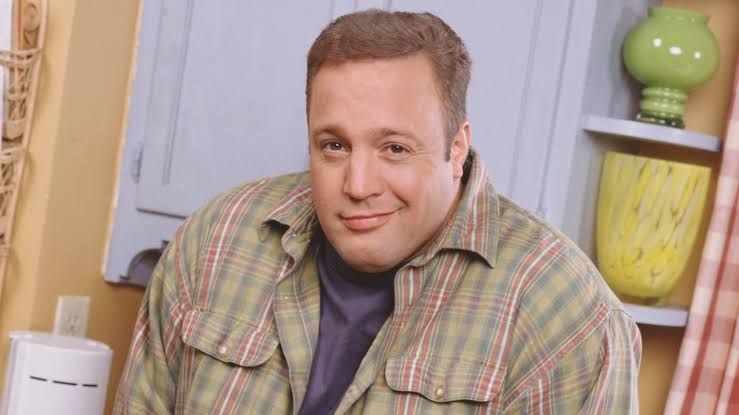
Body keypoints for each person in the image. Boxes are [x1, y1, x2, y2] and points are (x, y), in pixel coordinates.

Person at [114, 9, 641, 414]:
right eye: (334, 146)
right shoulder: (217, 240)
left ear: (456, 147)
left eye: (394, 149)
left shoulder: (564, 315)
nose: (358, 186)